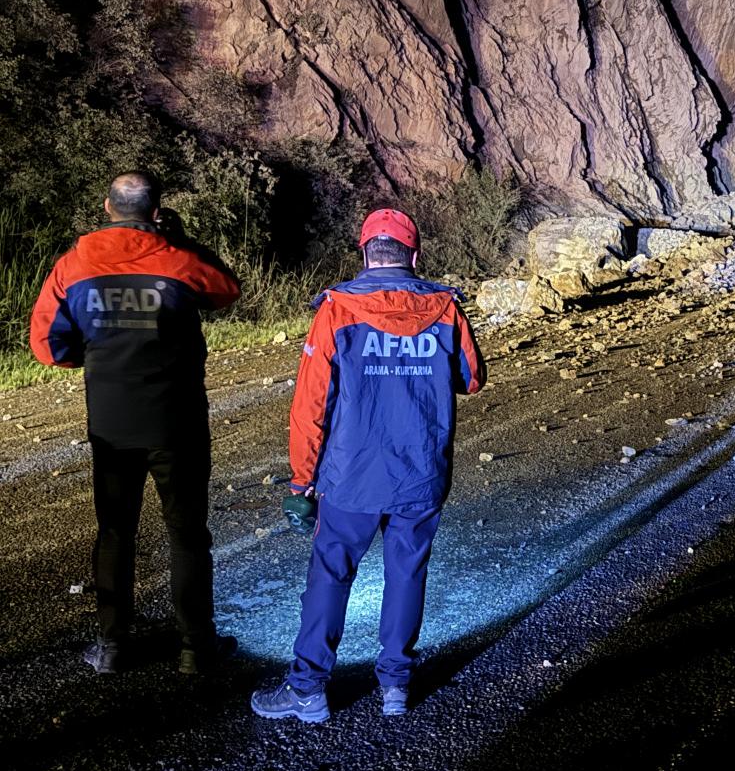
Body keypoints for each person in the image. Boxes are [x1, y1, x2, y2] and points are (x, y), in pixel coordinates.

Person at [251, 208, 486, 722]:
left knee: (331, 575)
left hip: (351, 476)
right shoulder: (445, 308)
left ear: (364, 255)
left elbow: (311, 404)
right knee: (407, 573)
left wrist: (301, 481)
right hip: (420, 473)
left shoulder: (337, 310)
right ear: (414, 256)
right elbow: (471, 377)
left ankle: (308, 688)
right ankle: (396, 687)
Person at [29, 170, 242, 675]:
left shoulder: (73, 265)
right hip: (177, 422)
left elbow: (46, 346)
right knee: (187, 534)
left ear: (108, 207)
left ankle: (112, 645)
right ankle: (196, 647)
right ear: (155, 210)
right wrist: (182, 237)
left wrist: (98, 356)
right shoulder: (178, 259)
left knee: (114, 532)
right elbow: (226, 291)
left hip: (111, 423)